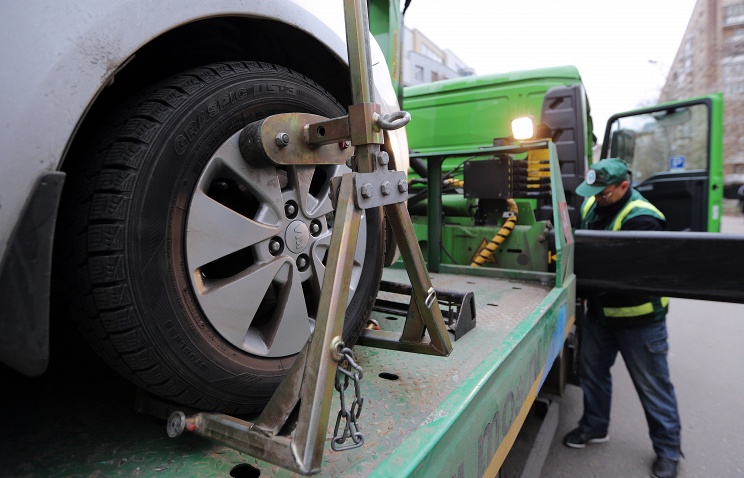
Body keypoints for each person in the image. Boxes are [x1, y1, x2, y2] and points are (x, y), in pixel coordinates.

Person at [564, 158, 682, 478]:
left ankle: (668, 451)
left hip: (639, 322)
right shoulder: (593, 202)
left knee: (653, 387)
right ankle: (594, 426)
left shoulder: (643, 219)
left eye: (604, 193)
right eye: (594, 192)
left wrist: (585, 285)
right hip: (600, 316)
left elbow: (631, 277)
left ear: (624, 187)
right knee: (593, 375)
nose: (597, 198)